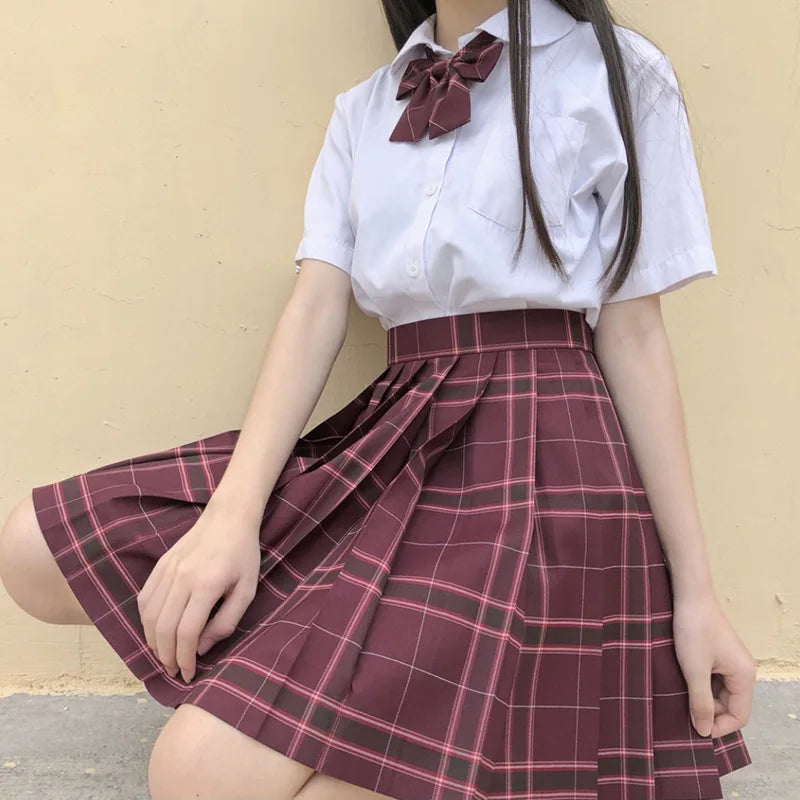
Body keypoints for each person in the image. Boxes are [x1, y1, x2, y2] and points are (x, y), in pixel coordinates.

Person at [0, 1, 756, 798]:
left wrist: (696, 594)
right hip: (400, 428)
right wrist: (231, 519)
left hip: (545, 452)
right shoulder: (365, 106)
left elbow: (635, 334)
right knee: (33, 550)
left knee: (196, 775)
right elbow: (315, 307)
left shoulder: (619, 72)